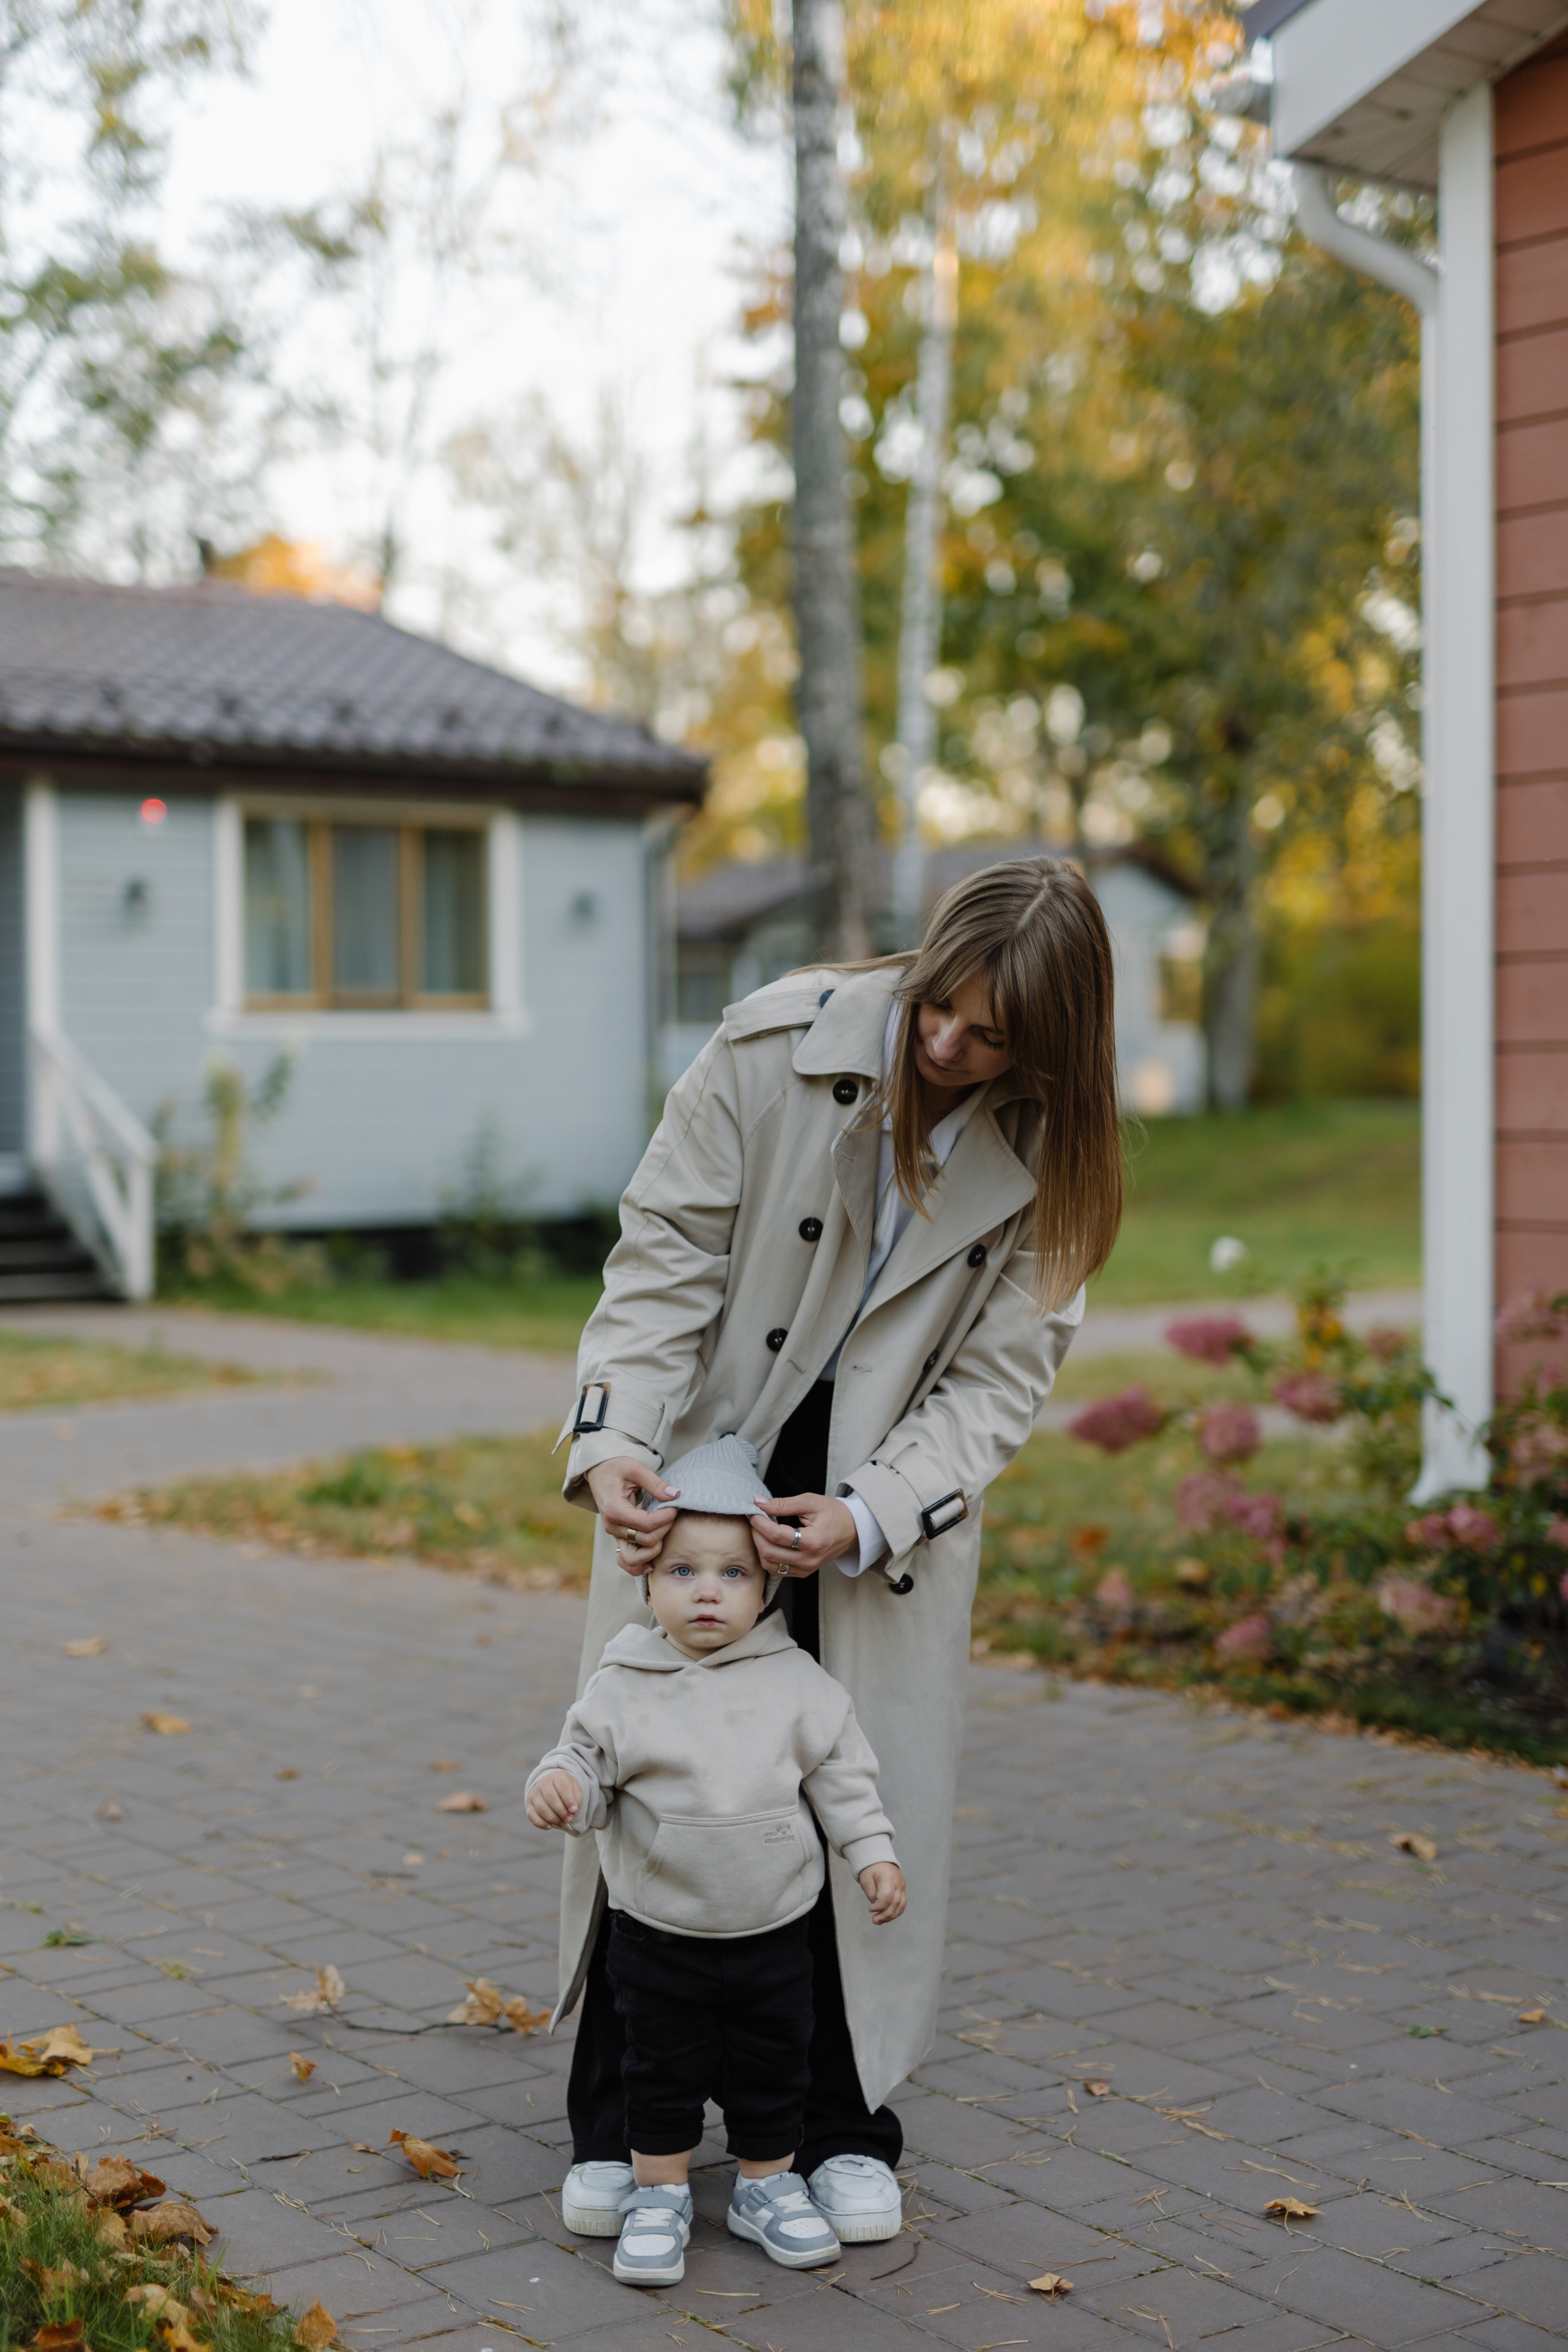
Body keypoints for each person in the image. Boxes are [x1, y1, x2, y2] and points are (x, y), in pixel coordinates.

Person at [549, 856, 1121, 2247]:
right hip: (703, 1482)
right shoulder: (768, 1046)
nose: (944, 1046)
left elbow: (996, 1381)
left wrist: (867, 1513)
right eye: (939, 1007)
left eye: (988, 1036)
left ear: (1045, 1045)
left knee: (838, 1791)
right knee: (665, 1776)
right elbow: (662, 1254)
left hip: (877, 1521)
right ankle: (621, 2115)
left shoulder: (1060, 1148)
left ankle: (841, 2120)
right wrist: (614, 1434)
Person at [525, 1434, 905, 2288]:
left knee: (776, 2067)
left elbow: (845, 1778)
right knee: (659, 2069)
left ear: (768, 1585)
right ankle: (659, 2196)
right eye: (684, 1573)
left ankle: (764, 2189)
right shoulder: (623, 1681)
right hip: (660, 1932)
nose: (707, 1592)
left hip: (775, 1929)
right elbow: (584, 1762)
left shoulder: (800, 1684)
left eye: (732, 1574)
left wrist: (873, 1854)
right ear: (647, 1580)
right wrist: (560, 1786)